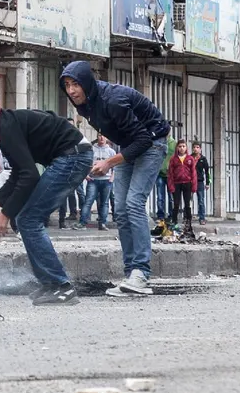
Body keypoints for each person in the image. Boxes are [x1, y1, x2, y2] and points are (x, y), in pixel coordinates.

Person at [0, 89, 90, 306]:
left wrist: (5, 214)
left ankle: (61, 286)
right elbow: (20, 171)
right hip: (67, 156)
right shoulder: (1, 125)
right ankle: (49, 283)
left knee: (28, 219)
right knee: (26, 219)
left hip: (74, 156)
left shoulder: (4, 127)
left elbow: (30, 176)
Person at [61, 61, 170, 297]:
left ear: (87, 83)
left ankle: (141, 273)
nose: (71, 91)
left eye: (76, 84)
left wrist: (109, 162)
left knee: (133, 203)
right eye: (67, 85)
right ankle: (131, 273)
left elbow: (143, 140)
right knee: (119, 209)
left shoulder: (113, 101)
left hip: (152, 143)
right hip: (130, 145)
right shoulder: (86, 105)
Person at [79, 135, 116, 230]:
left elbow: (115, 167)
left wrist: (112, 178)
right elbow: (85, 163)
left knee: (105, 203)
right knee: (88, 201)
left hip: (106, 180)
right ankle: (82, 223)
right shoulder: (92, 150)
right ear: (97, 137)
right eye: (100, 136)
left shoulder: (111, 151)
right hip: (93, 180)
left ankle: (102, 223)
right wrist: (86, 176)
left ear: (107, 138)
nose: (102, 138)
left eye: (104, 136)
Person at [167, 141, 196, 235]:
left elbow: (194, 173)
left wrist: (194, 186)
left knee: (187, 204)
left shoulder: (190, 158)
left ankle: (188, 223)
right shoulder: (173, 159)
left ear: (186, 148)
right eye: (180, 146)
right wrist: (171, 186)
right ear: (177, 148)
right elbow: (170, 174)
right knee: (175, 204)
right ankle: (174, 223)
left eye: (183, 146)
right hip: (176, 184)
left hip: (187, 183)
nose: (182, 148)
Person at [193, 142, 212, 226]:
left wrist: (207, 183)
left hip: (200, 182)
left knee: (201, 200)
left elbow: (207, 171)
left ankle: (202, 218)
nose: (196, 149)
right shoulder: (189, 158)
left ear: (200, 149)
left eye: (197, 147)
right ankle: (187, 218)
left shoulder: (203, 159)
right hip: (190, 181)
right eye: (194, 147)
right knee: (188, 200)